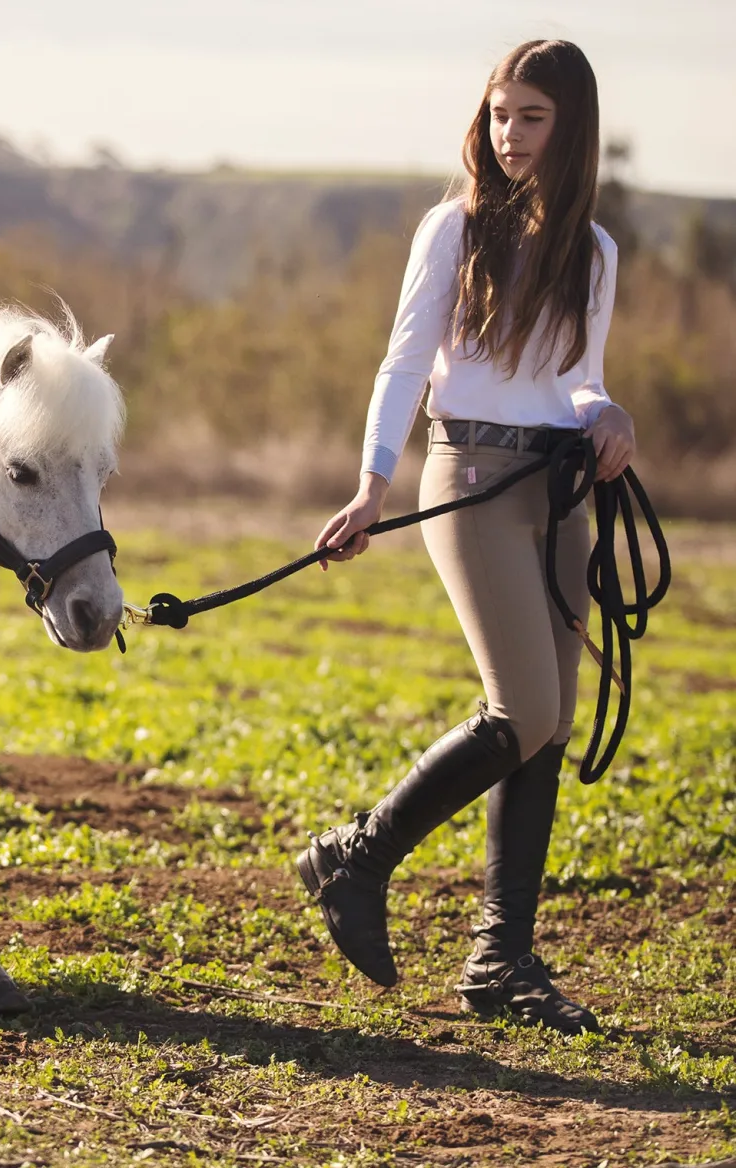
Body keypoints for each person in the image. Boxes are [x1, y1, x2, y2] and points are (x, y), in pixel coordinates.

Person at [294, 39, 637, 1035]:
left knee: (550, 724)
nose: (509, 134)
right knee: (521, 708)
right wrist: (372, 485)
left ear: (571, 127)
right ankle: (357, 856)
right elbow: (403, 364)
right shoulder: (453, 228)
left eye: (531, 116)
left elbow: (574, 380)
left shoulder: (594, 251)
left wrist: (607, 412)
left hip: (559, 486)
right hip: (473, 476)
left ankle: (499, 961)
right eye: (499, 113)